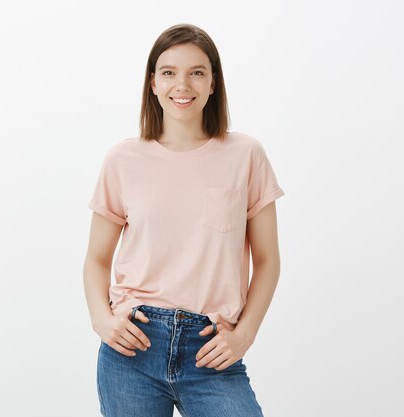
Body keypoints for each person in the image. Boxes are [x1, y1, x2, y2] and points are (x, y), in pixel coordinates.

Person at [83, 23, 285, 417]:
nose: (183, 85)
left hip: (211, 349)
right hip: (133, 346)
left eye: (197, 72)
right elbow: (96, 259)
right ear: (154, 83)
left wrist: (244, 334)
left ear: (213, 83)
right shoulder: (123, 160)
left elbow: (268, 261)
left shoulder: (246, 155)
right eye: (169, 72)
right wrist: (102, 321)